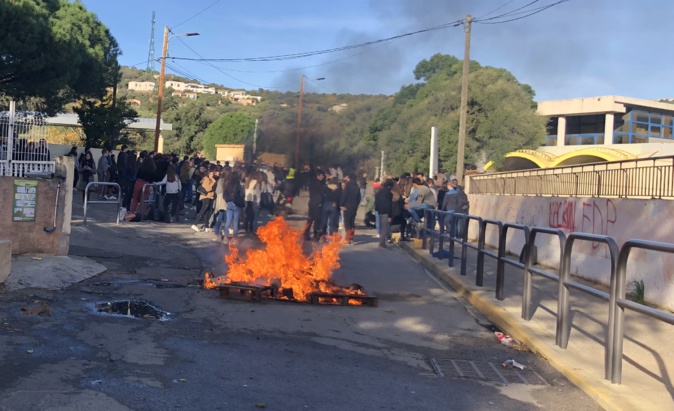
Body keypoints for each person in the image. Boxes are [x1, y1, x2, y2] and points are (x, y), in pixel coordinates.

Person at [222, 172, 245, 244]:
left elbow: (224, 194)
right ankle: (234, 238)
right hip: (236, 204)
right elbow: (242, 195)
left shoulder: (227, 184)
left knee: (227, 222)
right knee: (235, 223)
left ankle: (225, 237)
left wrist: (228, 200)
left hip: (229, 203)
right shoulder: (238, 185)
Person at [191, 166, 216, 232]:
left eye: (212, 174)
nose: (212, 175)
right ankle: (195, 224)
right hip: (205, 197)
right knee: (203, 210)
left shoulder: (210, 179)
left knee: (207, 212)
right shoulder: (206, 179)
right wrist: (213, 183)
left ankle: (207, 226)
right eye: (210, 174)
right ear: (208, 174)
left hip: (210, 197)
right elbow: (208, 188)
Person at [339, 174, 361, 245]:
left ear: (349, 178)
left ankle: (348, 238)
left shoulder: (348, 185)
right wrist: (356, 204)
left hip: (347, 206)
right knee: (352, 222)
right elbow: (359, 198)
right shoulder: (357, 186)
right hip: (354, 206)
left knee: (347, 222)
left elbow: (344, 195)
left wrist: (341, 204)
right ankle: (351, 236)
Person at [304, 170, 325, 241]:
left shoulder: (311, 183)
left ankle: (306, 234)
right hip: (317, 204)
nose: (323, 177)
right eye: (322, 175)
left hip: (311, 203)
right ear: (318, 176)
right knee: (317, 220)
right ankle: (315, 235)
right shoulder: (319, 184)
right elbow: (321, 193)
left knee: (310, 219)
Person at [374, 179, 393, 248]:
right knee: (384, 228)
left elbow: (376, 202)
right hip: (386, 211)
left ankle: (381, 241)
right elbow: (389, 204)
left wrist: (376, 209)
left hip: (379, 210)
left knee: (381, 226)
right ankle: (382, 242)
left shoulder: (378, 192)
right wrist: (390, 215)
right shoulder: (389, 193)